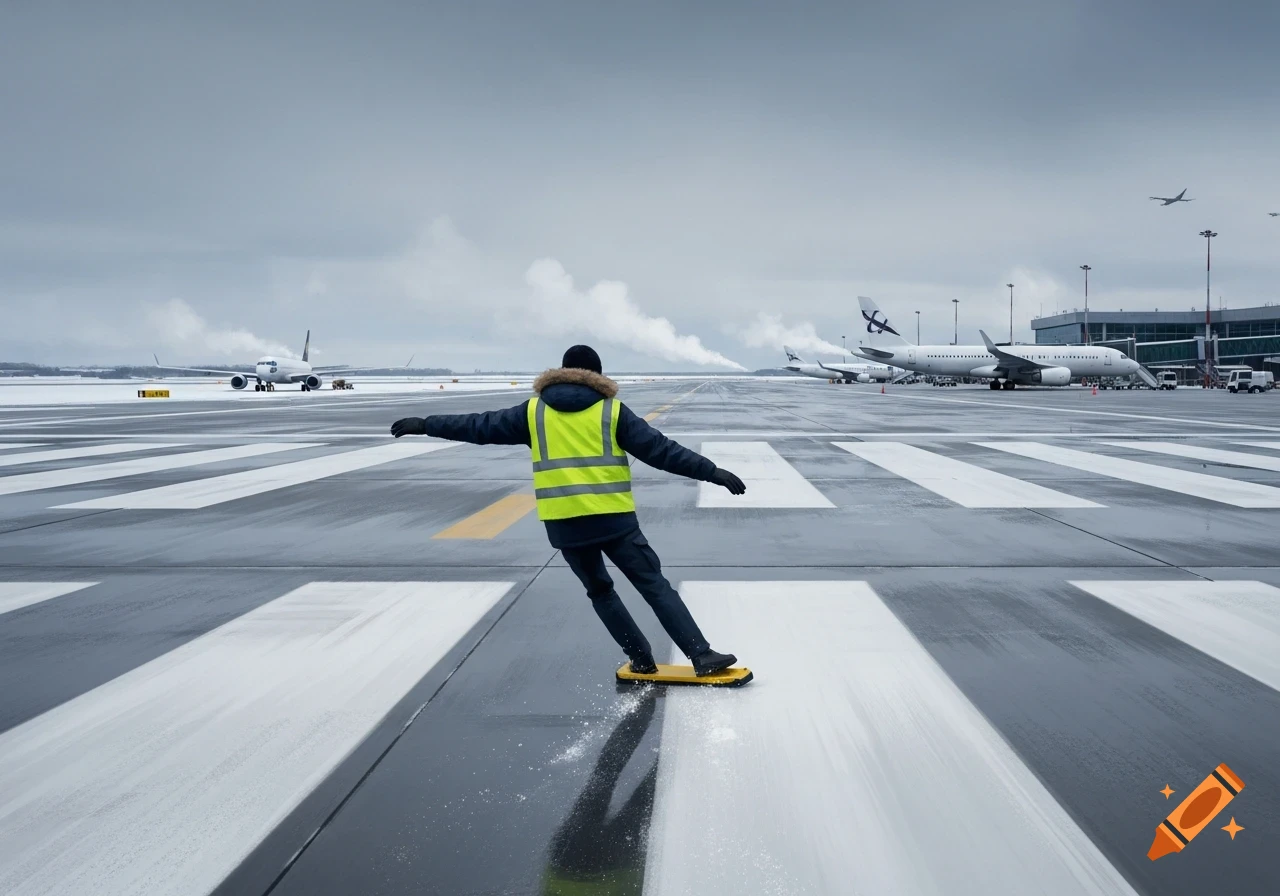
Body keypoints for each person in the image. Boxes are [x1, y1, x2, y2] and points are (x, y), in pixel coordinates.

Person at [391, 344, 747, 676]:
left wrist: (426, 424)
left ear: (562, 372)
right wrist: (710, 471)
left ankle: (640, 659)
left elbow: (477, 425)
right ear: (598, 375)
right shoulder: (611, 411)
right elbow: (661, 451)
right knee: (653, 585)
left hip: (565, 526)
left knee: (601, 592)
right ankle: (700, 655)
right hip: (614, 521)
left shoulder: (532, 412)